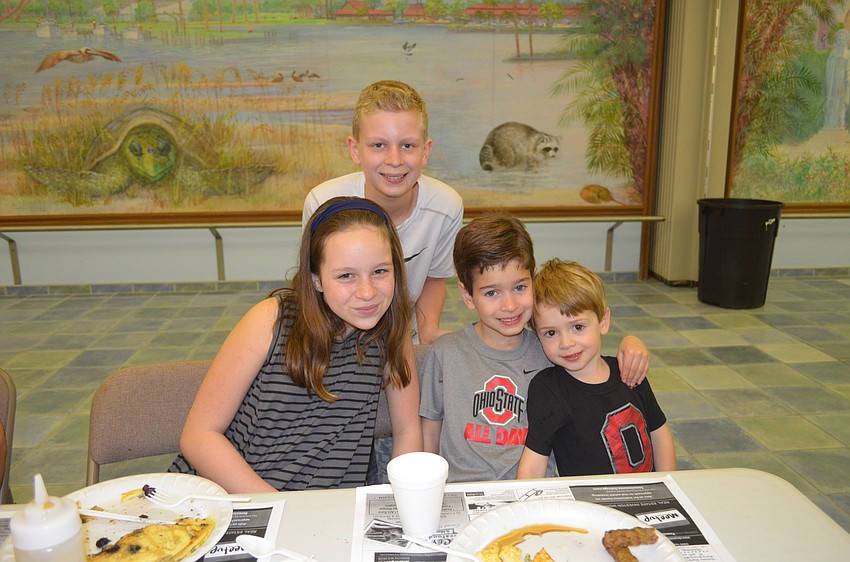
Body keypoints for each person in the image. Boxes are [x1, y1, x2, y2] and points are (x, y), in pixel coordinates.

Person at [170, 197, 423, 492]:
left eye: (380, 271)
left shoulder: (392, 328)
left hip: (321, 512)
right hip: (231, 498)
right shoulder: (270, 320)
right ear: (316, 279)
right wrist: (279, 508)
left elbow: (407, 430)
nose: (367, 292)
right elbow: (199, 436)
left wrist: (408, 498)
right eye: (346, 276)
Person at [419, 213, 651, 483]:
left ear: (534, 276)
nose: (510, 306)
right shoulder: (445, 353)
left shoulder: (553, 350)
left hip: (534, 493)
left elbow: (595, 364)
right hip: (462, 494)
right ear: (467, 295)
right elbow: (430, 432)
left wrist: (630, 342)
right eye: (491, 292)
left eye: (519, 287)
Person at [302, 79, 463, 346]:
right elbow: (313, 284)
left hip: (404, 337)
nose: (395, 160)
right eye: (379, 145)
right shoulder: (322, 203)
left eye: (408, 146)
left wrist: (427, 336)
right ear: (355, 150)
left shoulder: (447, 207)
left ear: (426, 151)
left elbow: (435, 277)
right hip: (334, 335)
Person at [517, 259, 676, 479]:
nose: (566, 343)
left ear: (603, 321)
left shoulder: (628, 371)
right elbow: (533, 464)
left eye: (578, 327)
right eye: (550, 333)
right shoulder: (547, 389)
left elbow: (659, 435)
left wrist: (669, 485)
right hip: (588, 508)